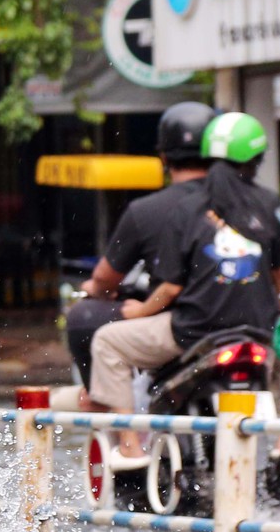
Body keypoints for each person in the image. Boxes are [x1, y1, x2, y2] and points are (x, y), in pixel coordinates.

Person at [89, 112, 280, 462]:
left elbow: (170, 289)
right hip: (260, 330)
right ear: (259, 158)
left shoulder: (186, 209)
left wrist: (139, 310)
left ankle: (130, 447)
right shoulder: (270, 203)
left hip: (195, 332)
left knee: (107, 341)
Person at [68, 101, 216, 388]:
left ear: (163, 156)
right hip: (250, 318)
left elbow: (164, 286)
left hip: (185, 324)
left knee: (83, 319)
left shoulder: (153, 211)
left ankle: (108, 411)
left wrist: (125, 302)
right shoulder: (245, 203)